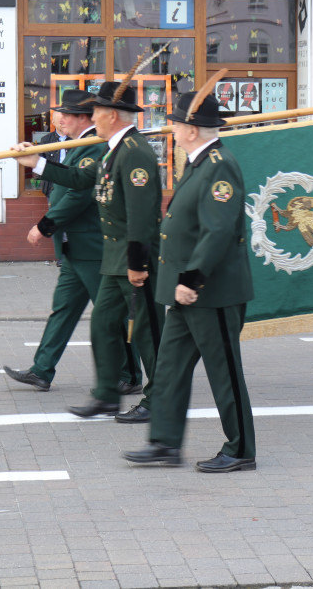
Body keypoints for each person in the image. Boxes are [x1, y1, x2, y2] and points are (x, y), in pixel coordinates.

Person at [12, 81, 164, 422]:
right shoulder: (112, 149)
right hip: (112, 258)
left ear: (111, 115)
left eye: (95, 111)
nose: (91, 117)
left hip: (132, 258)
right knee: (103, 324)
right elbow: (81, 179)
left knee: (146, 331)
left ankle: (159, 400)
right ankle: (108, 395)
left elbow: (141, 214)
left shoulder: (135, 151)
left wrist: (138, 262)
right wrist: (35, 163)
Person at [122, 89, 256, 473]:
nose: (172, 130)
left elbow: (218, 231)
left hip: (210, 292)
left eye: (176, 124)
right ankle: (164, 442)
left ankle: (241, 448)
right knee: (169, 367)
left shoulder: (219, 165)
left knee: (224, 371)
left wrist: (193, 279)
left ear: (193, 129)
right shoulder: (198, 162)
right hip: (185, 291)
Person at [3, 90, 109, 392]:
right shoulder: (73, 144)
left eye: (67, 113)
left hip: (92, 245)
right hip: (73, 246)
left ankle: (129, 375)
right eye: (59, 112)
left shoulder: (94, 147)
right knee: (63, 309)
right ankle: (42, 369)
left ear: (85, 118)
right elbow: (60, 170)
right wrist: (31, 155)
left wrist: (45, 225)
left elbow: (78, 190)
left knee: (111, 314)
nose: (59, 117)